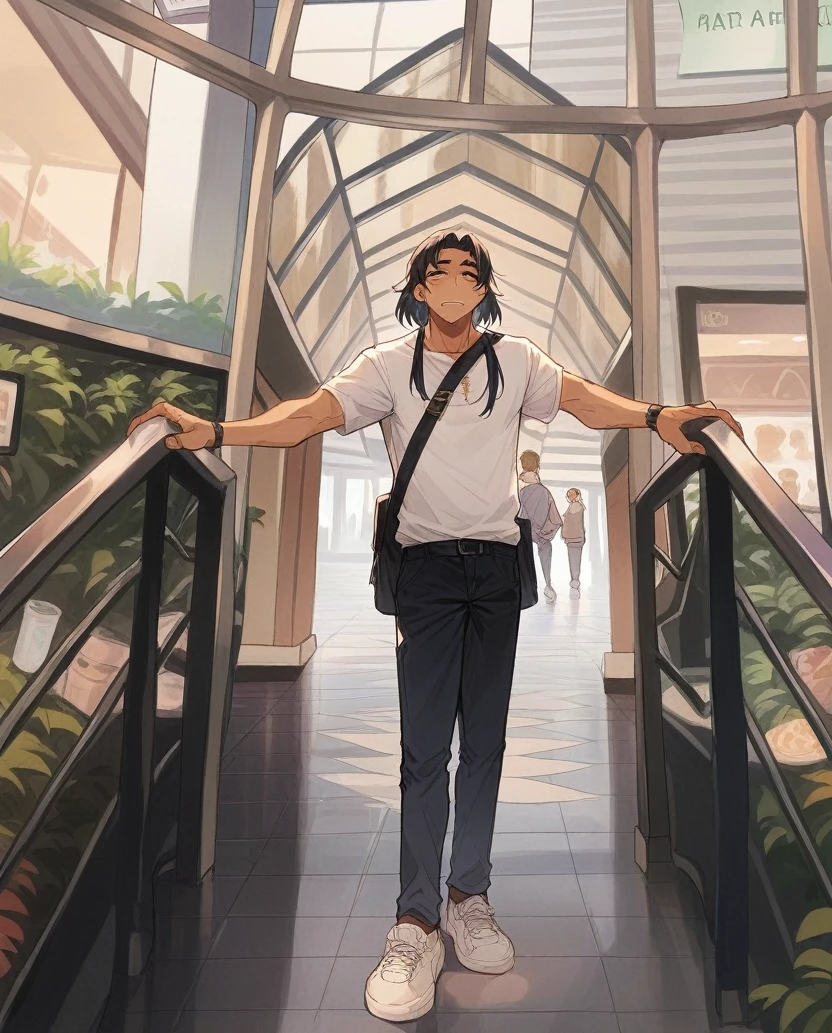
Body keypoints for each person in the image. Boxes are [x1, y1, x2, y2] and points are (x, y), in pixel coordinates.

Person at [127, 229, 743, 1025]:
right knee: (426, 750)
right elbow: (305, 417)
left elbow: (587, 400)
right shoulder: (387, 365)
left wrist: (659, 416)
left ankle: (469, 899)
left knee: (484, 743)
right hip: (423, 573)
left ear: (484, 287)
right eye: (438, 271)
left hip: (493, 570)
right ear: (417, 286)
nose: (454, 282)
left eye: (468, 272)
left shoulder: (514, 359)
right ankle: (414, 920)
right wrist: (217, 433)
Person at [517, 449, 561, 601]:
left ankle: (524, 589)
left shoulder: (515, 489)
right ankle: (548, 585)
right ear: (537, 467)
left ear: (522, 466)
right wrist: (544, 532)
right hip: (542, 534)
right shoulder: (544, 492)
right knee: (546, 549)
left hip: (521, 533)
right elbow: (555, 519)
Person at [562, 487, 586, 590]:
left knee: (574, 560)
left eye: (571, 494)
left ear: (577, 495)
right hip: (572, 538)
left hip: (575, 538)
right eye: (568, 495)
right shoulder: (573, 506)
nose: (569, 496)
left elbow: (572, 521)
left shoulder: (577, 506)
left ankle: (575, 579)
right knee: (573, 560)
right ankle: (574, 579)